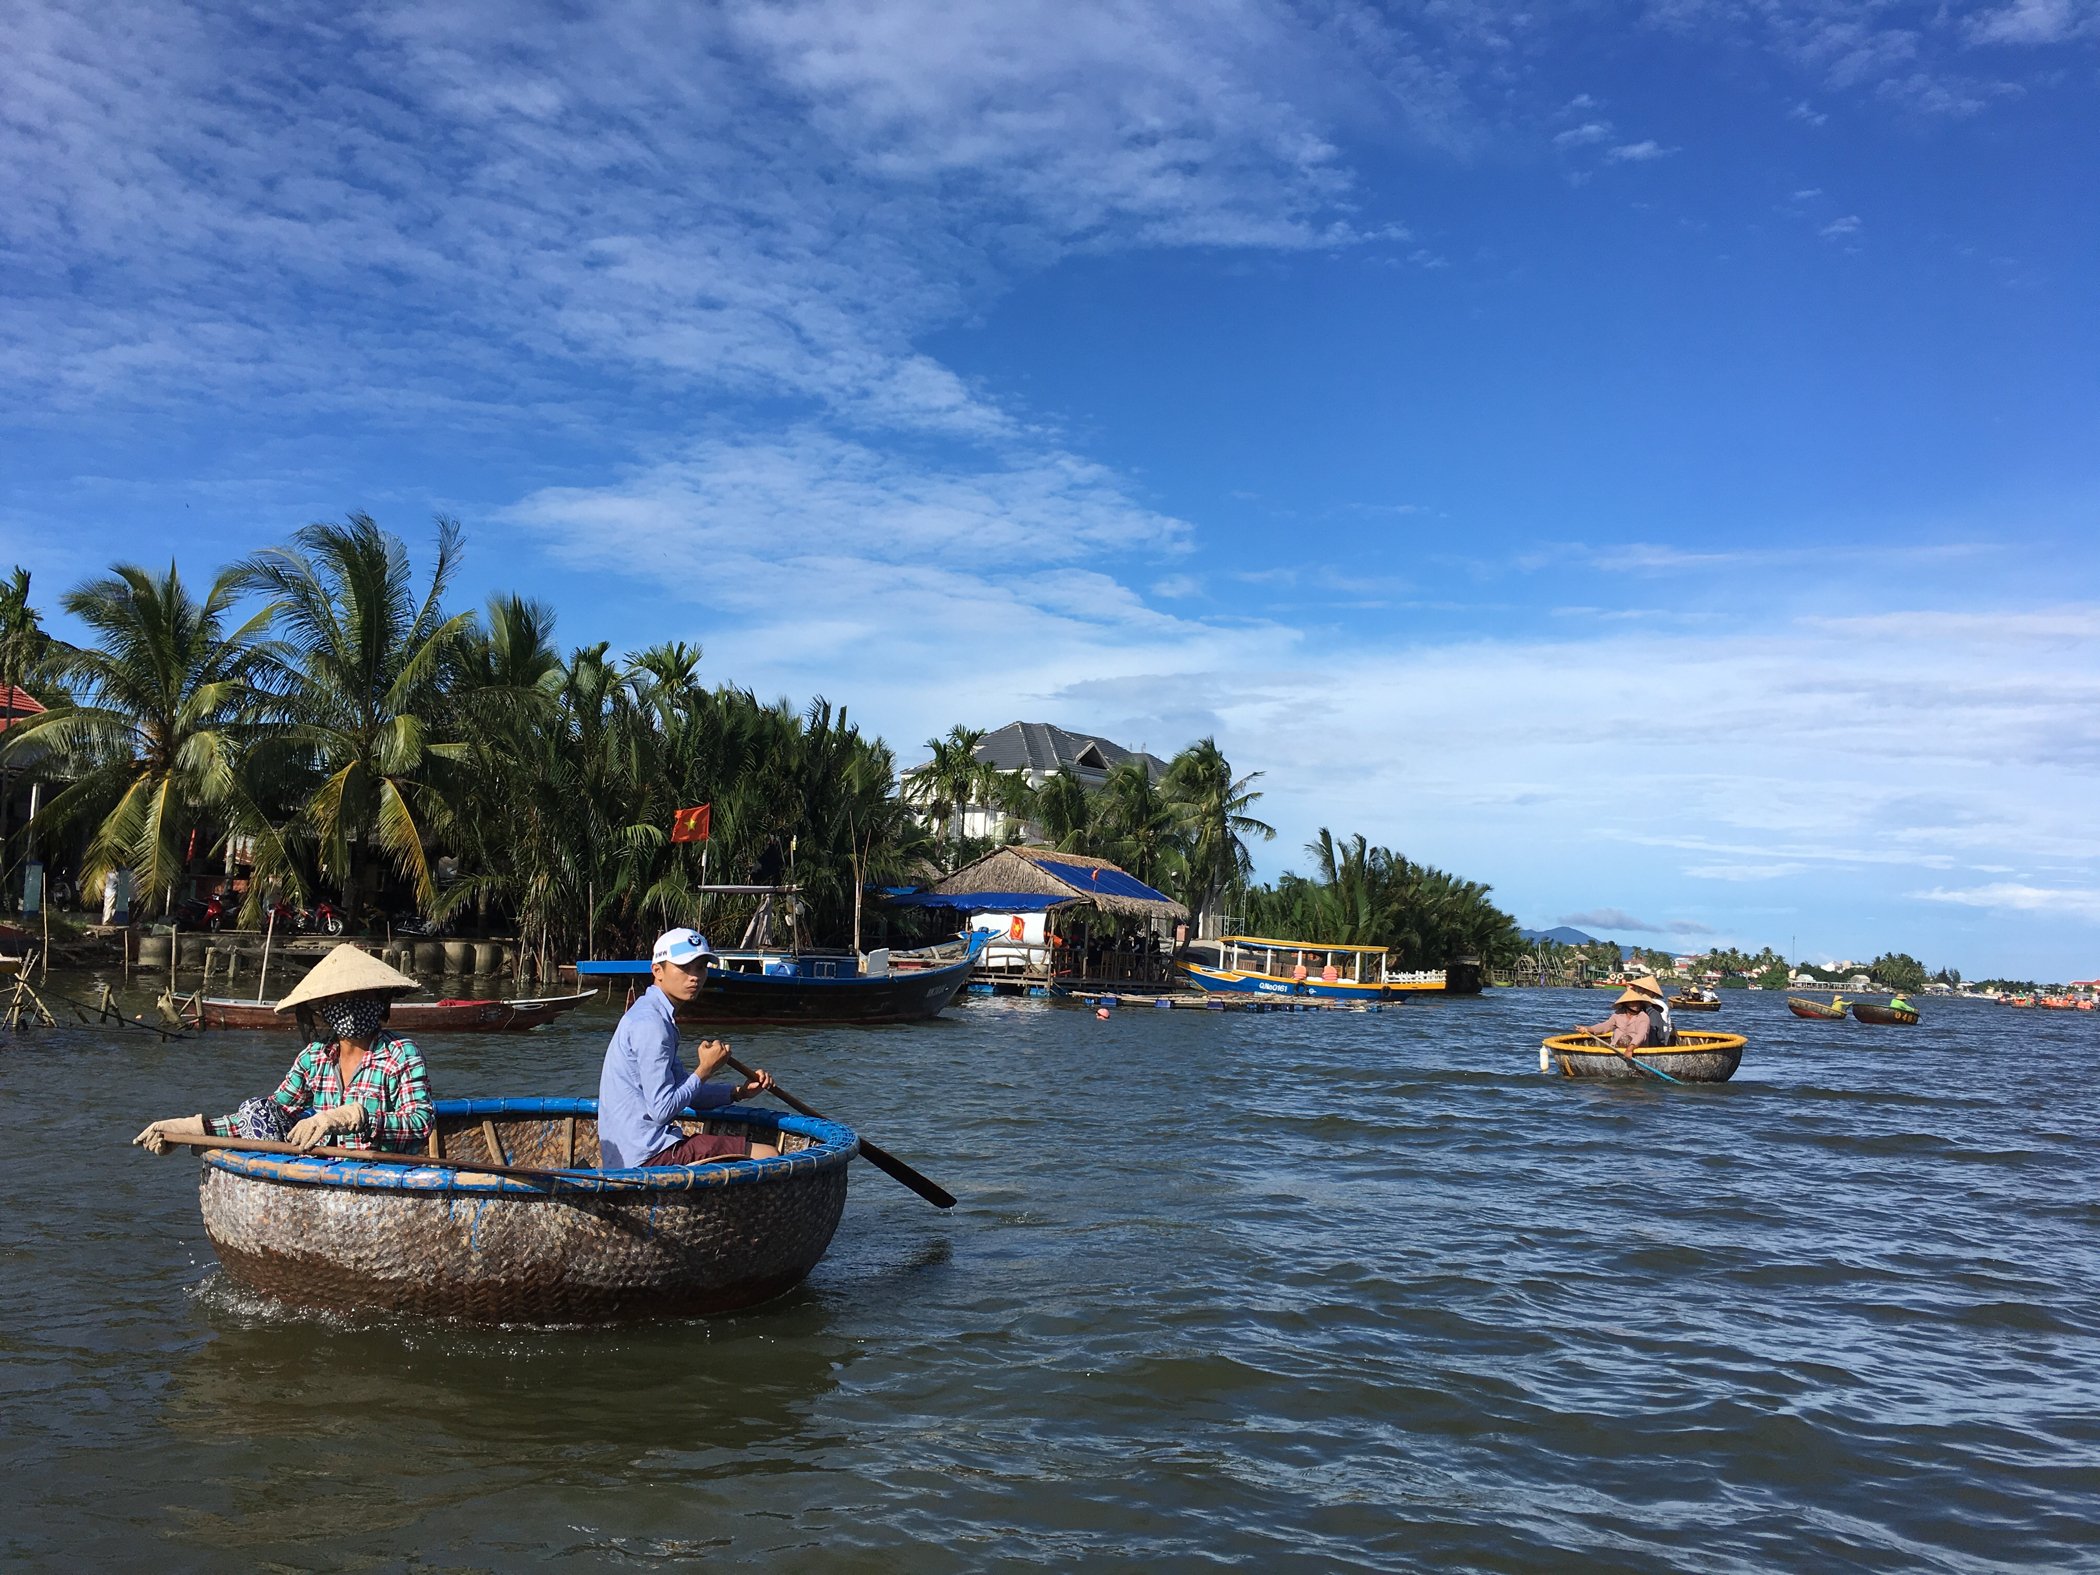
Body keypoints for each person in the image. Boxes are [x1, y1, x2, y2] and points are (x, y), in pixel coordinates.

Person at [133, 944, 434, 1156]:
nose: (352, 1008)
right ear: (324, 1007)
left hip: (381, 1172)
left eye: (362, 997)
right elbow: (270, 1115)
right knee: (257, 1108)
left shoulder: (400, 1053)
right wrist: (192, 1130)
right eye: (341, 999)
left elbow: (420, 1123)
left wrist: (358, 1117)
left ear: (379, 999)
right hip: (325, 1173)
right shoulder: (314, 1058)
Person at [598, 927, 778, 1169]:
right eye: (684, 968)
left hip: (641, 1148)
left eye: (701, 967)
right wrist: (705, 1069)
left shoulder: (652, 1013)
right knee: (769, 1154)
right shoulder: (652, 1025)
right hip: (648, 1154)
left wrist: (738, 1092)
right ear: (657, 971)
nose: (695, 977)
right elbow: (663, 1109)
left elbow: (681, 1088)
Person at [1580, 985, 1668, 1050]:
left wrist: (1631, 1047)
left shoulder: (1643, 1017)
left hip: (1636, 1048)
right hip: (1616, 1048)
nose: (1636, 1005)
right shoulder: (1618, 1015)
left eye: (1638, 1002)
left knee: (1626, 1039)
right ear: (1625, 1004)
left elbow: (1642, 1034)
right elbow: (1605, 1026)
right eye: (1632, 1002)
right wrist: (1588, 1029)